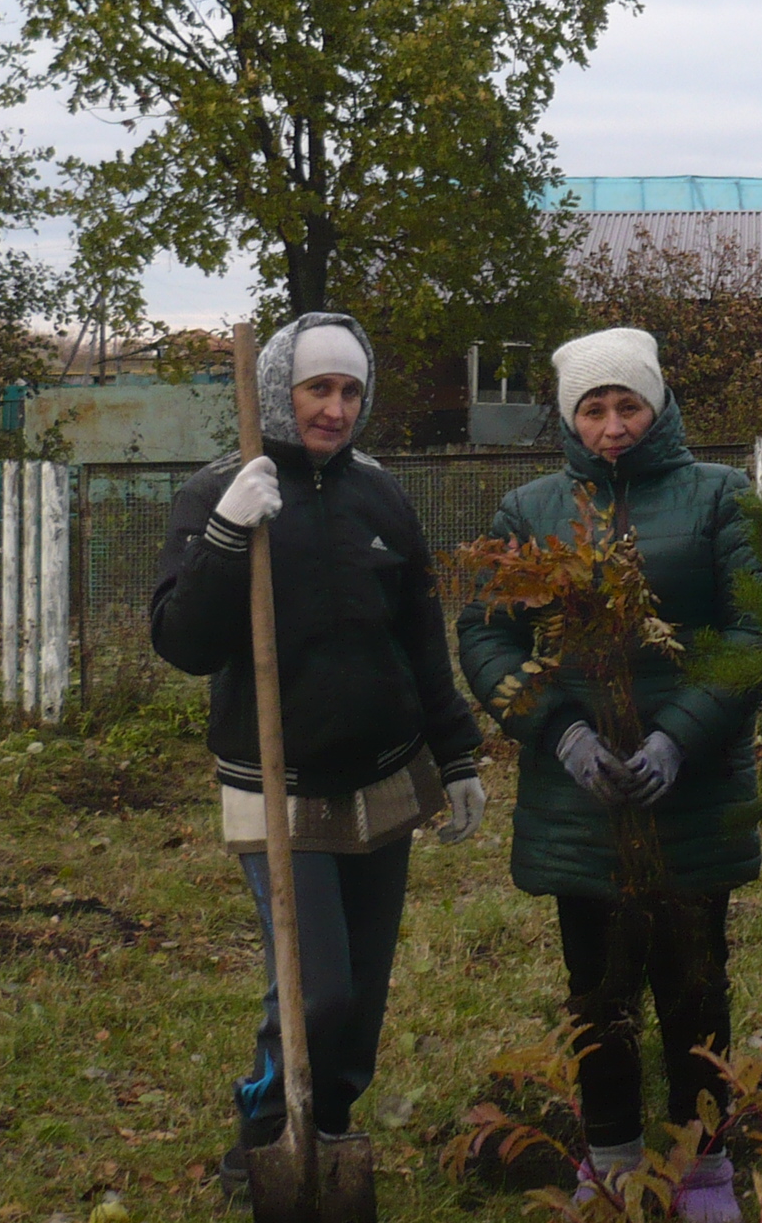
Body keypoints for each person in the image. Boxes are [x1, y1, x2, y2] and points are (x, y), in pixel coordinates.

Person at [151, 310, 490, 1203]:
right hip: (279, 783)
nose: (335, 409)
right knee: (317, 995)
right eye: (317, 390)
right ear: (277, 393)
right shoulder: (218, 491)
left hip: (383, 779)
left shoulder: (382, 495)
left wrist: (456, 756)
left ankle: (329, 1125)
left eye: (349, 391)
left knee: (364, 999)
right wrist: (227, 537)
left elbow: (421, 637)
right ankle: (268, 1119)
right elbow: (181, 642)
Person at [457, 327, 762, 1223]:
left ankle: (701, 1168)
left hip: (692, 791)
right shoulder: (528, 511)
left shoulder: (720, 498)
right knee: (597, 985)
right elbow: (487, 635)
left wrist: (677, 739)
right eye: (594, 408)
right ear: (570, 417)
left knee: (695, 981)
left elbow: (752, 634)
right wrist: (559, 737)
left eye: (629, 404)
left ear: (659, 404)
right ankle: (611, 1164)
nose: (613, 425)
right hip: (581, 799)